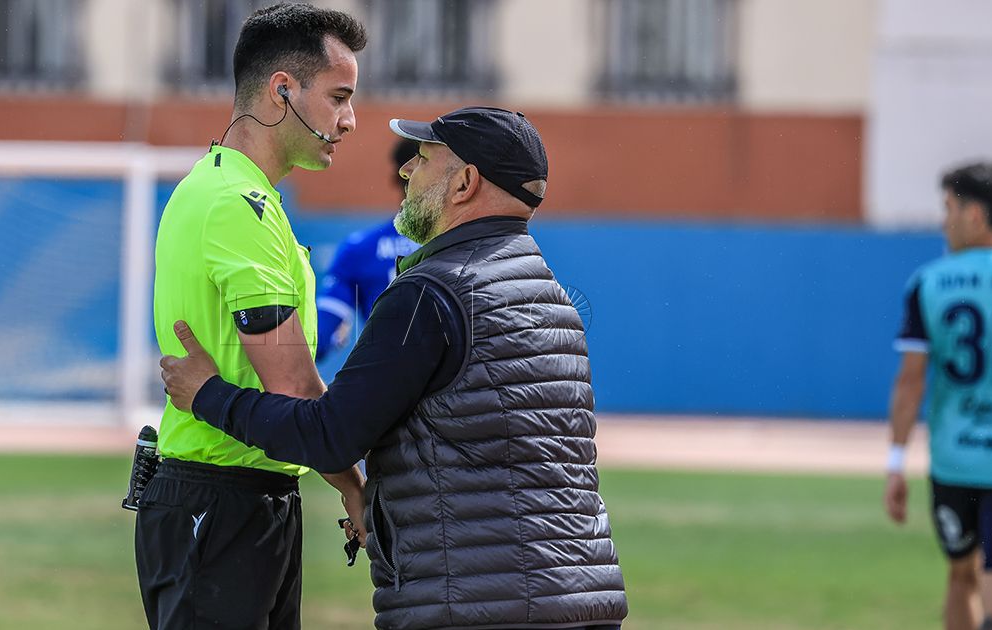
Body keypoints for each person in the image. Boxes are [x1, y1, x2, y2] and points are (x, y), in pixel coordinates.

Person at [160, 107, 628, 630]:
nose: (406, 171)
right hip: (582, 597)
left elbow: (328, 435)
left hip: (478, 607)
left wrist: (207, 395)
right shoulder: (554, 300)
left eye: (423, 159)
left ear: (466, 183)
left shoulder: (432, 294)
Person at [139, 4, 367, 629]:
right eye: (339, 97)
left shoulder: (237, 191)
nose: (350, 120)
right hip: (217, 502)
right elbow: (292, 386)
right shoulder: (236, 204)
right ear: (282, 91)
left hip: (243, 501)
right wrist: (355, 485)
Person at [886, 162, 992, 630]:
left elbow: (911, 380)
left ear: (974, 215)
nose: (944, 221)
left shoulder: (929, 282)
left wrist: (896, 461)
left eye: (949, 208)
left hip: (954, 460)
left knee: (961, 576)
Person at [315, 138, 421, 362]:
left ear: (398, 177)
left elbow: (318, 341)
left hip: (388, 385)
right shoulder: (469, 244)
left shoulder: (360, 249)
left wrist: (333, 338)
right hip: (457, 390)